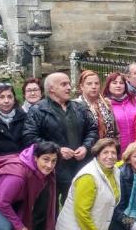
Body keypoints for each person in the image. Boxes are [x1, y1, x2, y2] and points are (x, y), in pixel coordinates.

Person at [46, 138, 122, 230]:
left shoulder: (114, 170)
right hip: (76, 229)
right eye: (105, 152)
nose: (110, 156)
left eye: (113, 153)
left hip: (97, 224)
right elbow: (82, 213)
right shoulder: (89, 177)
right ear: (97, 155)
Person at [24, 72, 98, 204]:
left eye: (69, 84)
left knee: (77, 206)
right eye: (64, 84)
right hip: (51, 169)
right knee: (49, 209)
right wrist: (57, 150)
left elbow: (92, 129)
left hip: (79, 166)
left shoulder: (79, 107)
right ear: (51, 88)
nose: (69, 87)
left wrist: (86, 147)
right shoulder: (38, 110)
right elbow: (30, 138)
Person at [0, 82, 29, 166]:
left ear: (14, 99)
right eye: (2, 97)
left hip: (23, 166)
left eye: (9, 97)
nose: (6, 101)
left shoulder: (25, 118)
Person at [104, 71, 136, 152]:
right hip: (115, 150)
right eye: (114, 83)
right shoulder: (104, 104)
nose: (118, 86)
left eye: (121, 83)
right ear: (108, 85)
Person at [74, 70, 119, 141]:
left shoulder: (106, 104)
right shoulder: (75, 106)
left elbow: (116, 132)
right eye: (89, 84)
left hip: (108, 147)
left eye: (96, 83)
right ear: (82, 86)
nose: (94, 87)